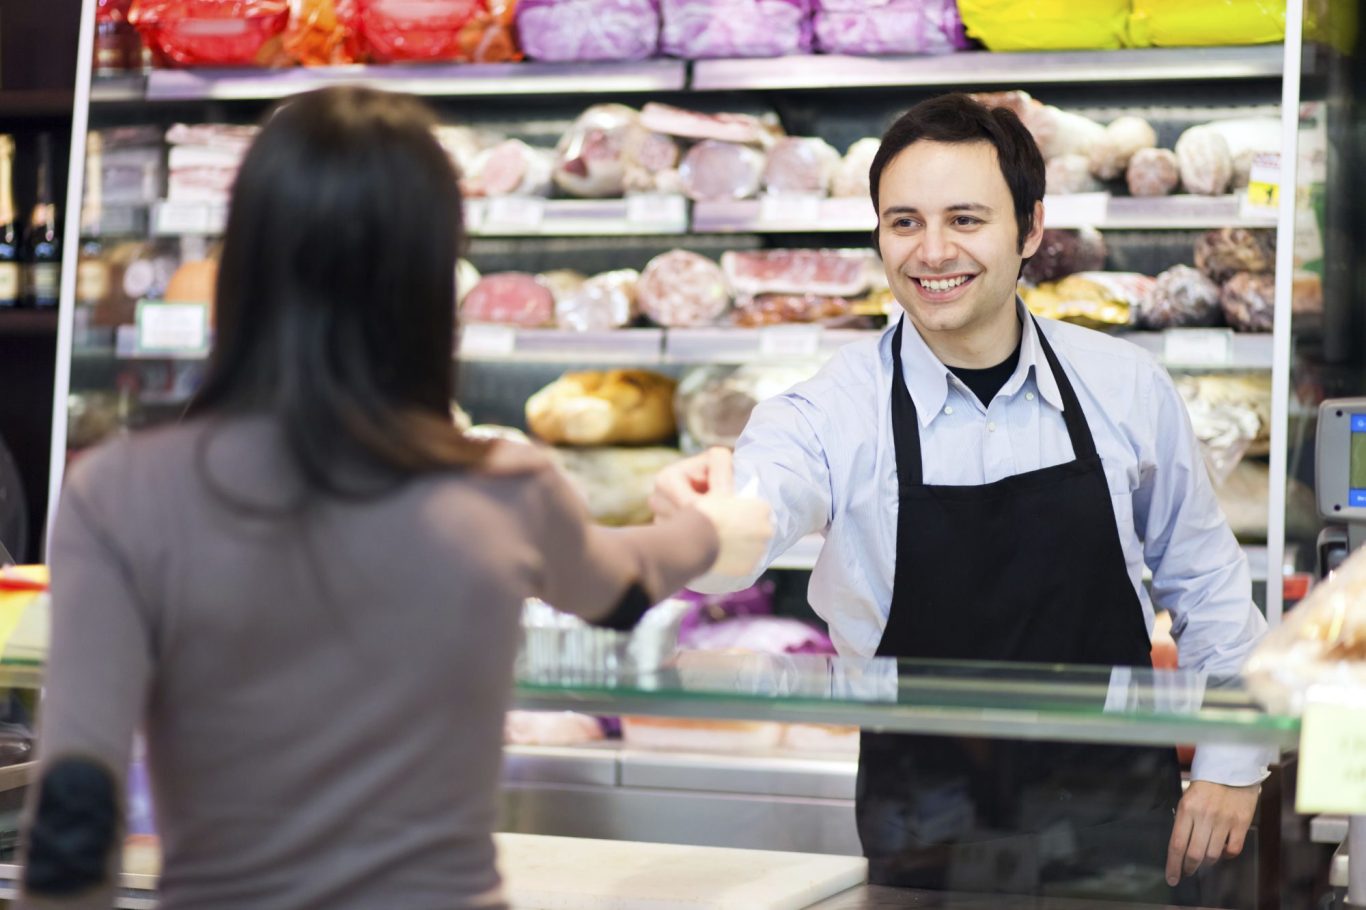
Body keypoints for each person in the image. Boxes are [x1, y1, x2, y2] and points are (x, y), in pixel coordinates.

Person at [17, 86, 771, 910]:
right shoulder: (504, 486)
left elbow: (76, 803)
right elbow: (621, 585)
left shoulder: (119, 494)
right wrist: (710, 529)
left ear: (248, 254)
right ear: (430, 273)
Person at [652, 93, 1271, 903]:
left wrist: (1232, 760)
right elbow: (759, 508)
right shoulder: (830, 409)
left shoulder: (1124, 387)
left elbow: (1204, 578)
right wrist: (712, 532)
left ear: (1032, 230)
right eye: (903, 222)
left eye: (966, 220)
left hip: (1116, 818)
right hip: (926, 831)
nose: (931, 251)